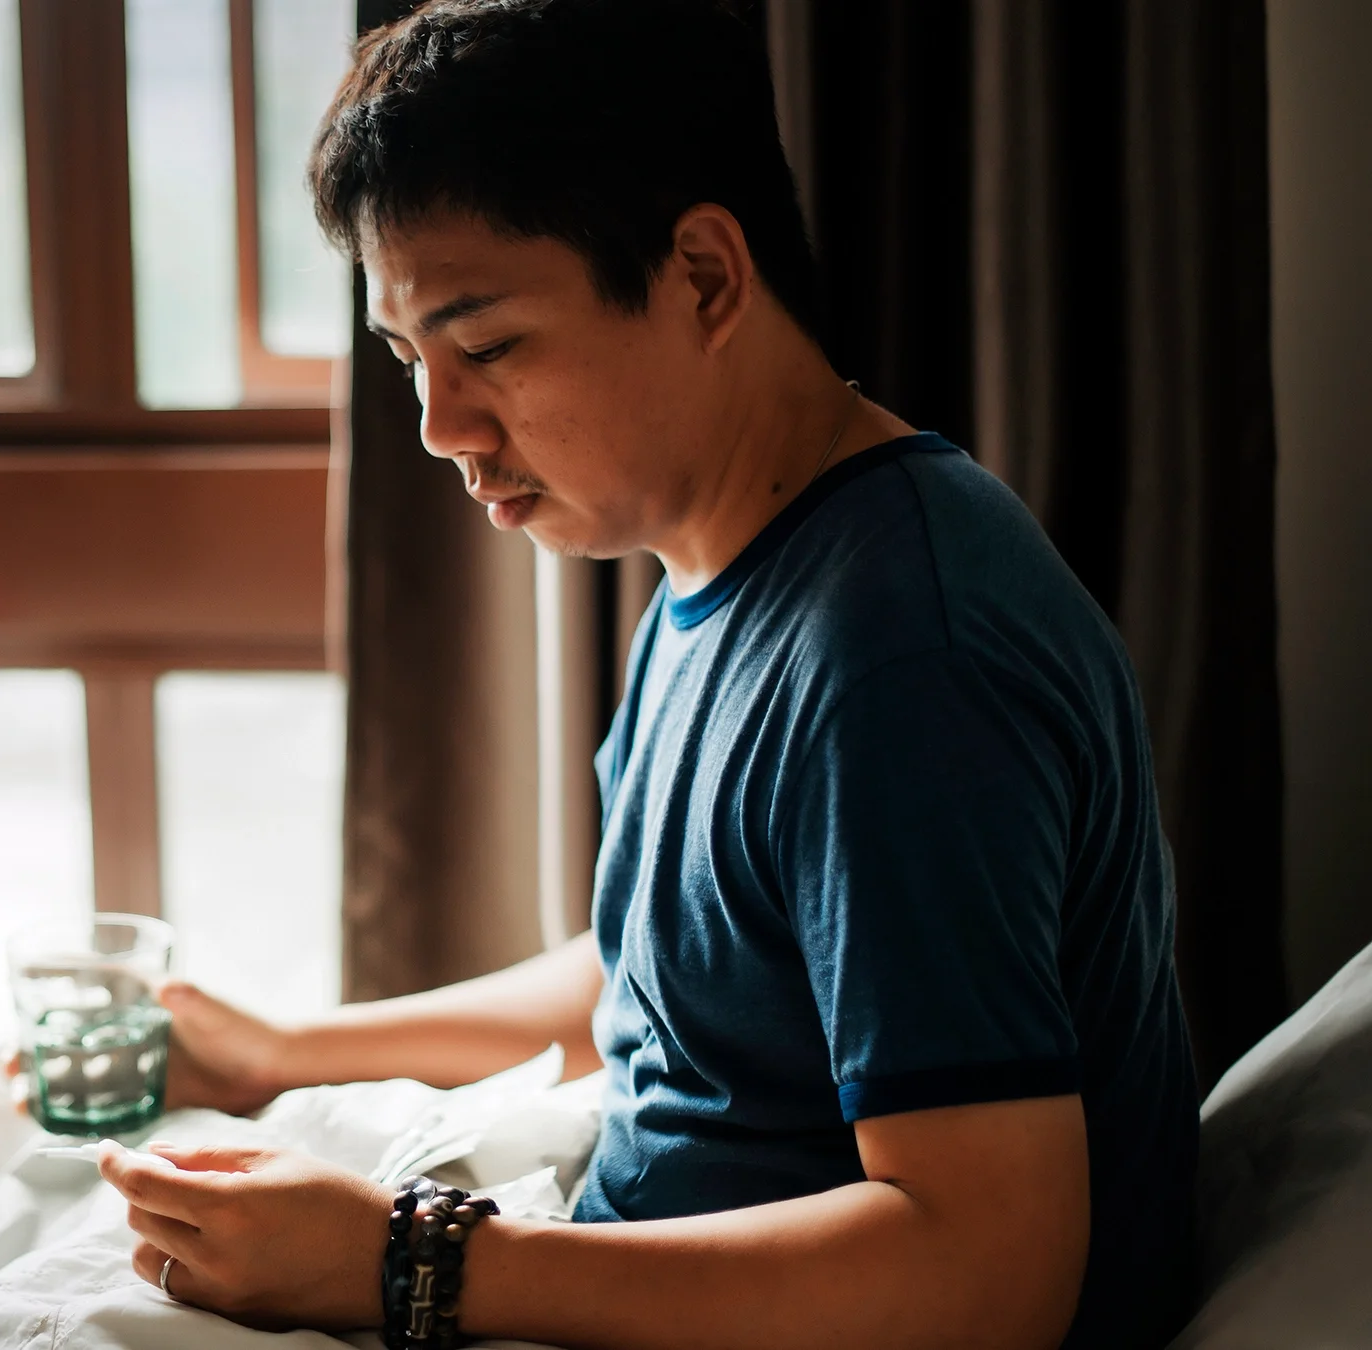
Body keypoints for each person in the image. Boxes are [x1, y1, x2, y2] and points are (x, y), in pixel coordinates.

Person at [92, 2, 1200, 1348]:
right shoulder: (727, 560)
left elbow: (989, 1272)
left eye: (485, 346)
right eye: (408, 359)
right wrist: (282, 1051)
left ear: (705, 278)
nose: (438, 426)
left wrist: (411, 1259)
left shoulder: (905, 662)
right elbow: (672, 972)